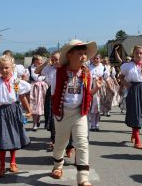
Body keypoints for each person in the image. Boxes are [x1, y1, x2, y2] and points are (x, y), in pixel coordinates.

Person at [49, 39, 101, 186]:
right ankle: (58, 166)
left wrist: (95, 88)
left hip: (80, 113)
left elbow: (87, 94)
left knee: (82, 143)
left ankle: (83, 177)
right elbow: (53, 93)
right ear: (70, 55)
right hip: (63, 113)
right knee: (61, 143)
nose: (84, 57)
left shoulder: (87, 73)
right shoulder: (58, 73)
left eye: (85, 54)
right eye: (80, 53)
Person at [0, 55, 31, 177]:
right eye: (1, 68)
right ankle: (2, 165)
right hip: (1, 111)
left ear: (12, 68)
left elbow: (22, 96)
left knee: (13, 136)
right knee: (1, 138)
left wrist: (29, 110)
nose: (4, 70)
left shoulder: (16, 81)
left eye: (6, 68)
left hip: (14, 110)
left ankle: (13, 162)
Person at [120, 45, 142, 149]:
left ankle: (134, 133)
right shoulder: (127, 66)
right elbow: (121, 76)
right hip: (133, 90)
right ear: (133, 54)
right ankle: (137, 140)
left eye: (141, 53)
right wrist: (126, 84)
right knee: (135, 113)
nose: (139, 55)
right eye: (136, 53)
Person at [28, 55, 48, 131]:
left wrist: (42, 77)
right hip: (35, 88)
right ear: (35, 61)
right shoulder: (30, 68)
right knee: (35, 105)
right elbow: (35, 77)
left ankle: (38, 119)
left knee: (42, 105)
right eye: (40, 60)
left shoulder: (44, 67)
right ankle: (34, 124)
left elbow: (46, 76)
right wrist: (42, 77)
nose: (41, 61)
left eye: (41, 60)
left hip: (43, 87)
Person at [88, 54, 104, 131]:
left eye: (97, 58)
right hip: (92, 87)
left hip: (100, 87)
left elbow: (106, 78)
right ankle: (92, 124)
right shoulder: (89, 67)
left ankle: (97, 123)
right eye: (94, 58)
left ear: (100, 59)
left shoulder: (102, 67)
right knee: (93, 106)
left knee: (98, 106)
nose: (96, 60)